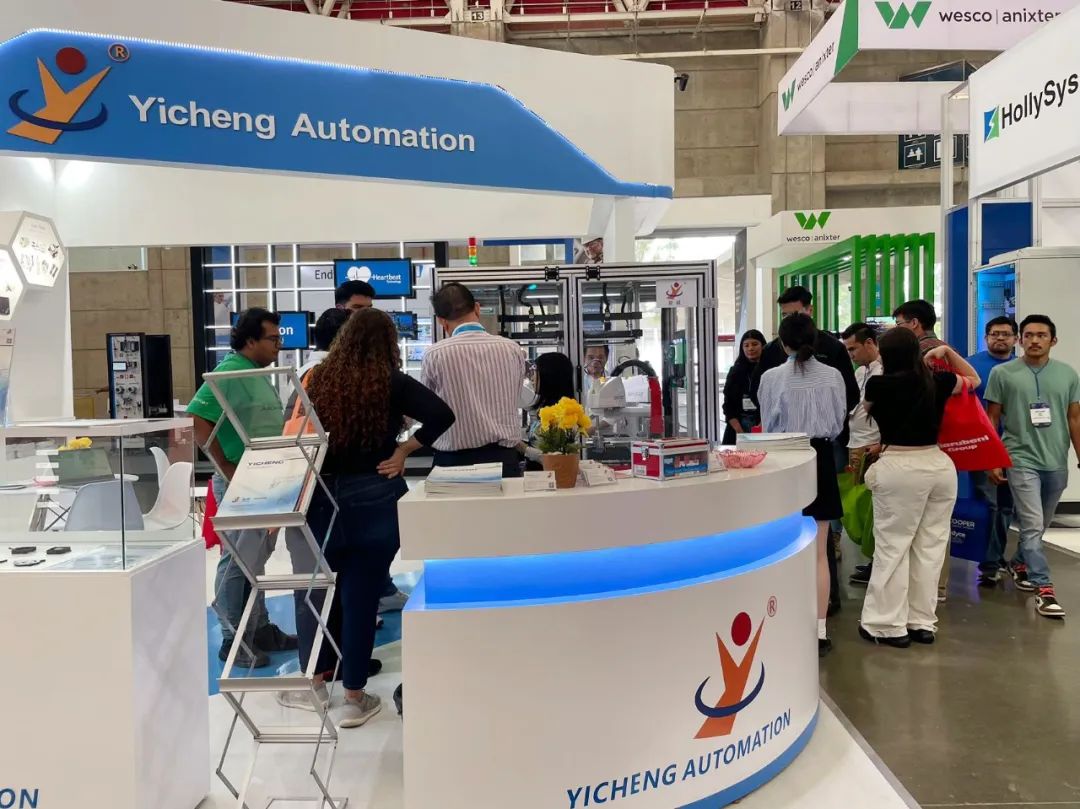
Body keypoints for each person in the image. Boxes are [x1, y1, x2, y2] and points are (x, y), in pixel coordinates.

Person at [287, 308, 455, 726]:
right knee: (361, 597)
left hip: (322, 498)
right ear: (388, 344)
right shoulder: (390, 382)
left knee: (320, 593)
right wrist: (403, 450)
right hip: (377, 494)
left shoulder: (319, 380)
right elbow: (442, 414)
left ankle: (315, 684)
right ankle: (354, 696)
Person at [187, 308, 298, 669]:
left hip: (264, 477)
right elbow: (198, 418)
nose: (278, 345)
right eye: (272, 339)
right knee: (238, 559)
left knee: (256, 558)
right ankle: (233, 637)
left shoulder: (256, 373)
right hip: (241, 481)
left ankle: (259, 628)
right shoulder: (229, 372)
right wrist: (225, 466)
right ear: (250, 341)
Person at [859, 329, 979, 647]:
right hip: (938, 466)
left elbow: (865, 414)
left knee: (893, 547)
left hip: (899, 467)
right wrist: (947, 352)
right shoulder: (937, 381)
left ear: (884, 353)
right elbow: (974, 379)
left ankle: (887, 625)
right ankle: (921, 622)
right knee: (930, 547)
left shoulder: (878, 384)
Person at [752, 286, 858, 618]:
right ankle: (820, 627)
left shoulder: (771, 377)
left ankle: (787, 620)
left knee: (784, 546)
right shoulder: (833, 374)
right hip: (821, 456)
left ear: (783, 343)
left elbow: (768, 422)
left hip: (784, 457)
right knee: (820, 551)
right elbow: (839, 419)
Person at [985, 314, 1080, 619]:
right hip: (1019, 458)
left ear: (1053, 340)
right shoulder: (1003, 373)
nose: (1034, 340)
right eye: (1028, 335)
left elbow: (1074, 418)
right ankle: (1044, 588)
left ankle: (1018, 563)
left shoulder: (1068, 374)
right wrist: (993, 459)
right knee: (1031, 524)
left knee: (1040, 525)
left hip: (1055, 460)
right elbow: (992, 419)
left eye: (1041, 335)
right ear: (1020, 339)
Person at [422, 282, 527, 477]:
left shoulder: (435, 354)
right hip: (503, 459)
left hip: (452, 463)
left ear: (441, 321)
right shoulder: (512, 349)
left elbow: (424, 408)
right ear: (477, 308)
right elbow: (516, 395)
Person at [968, 316, 1018, 587]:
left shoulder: (1022, 368)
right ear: (986, 337)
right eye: (995, 334)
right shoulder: (971, 366)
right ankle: (988, 562)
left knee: (1007, 507)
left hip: (1015, 447)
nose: (1000, 338)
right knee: (990, 504)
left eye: (1006, 334)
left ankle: (994, 557)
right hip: (982, 447)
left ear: (1015, 339)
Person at [840, 322, 884, 587]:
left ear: (869, 343)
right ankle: (871, 557)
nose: (851, 354)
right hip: (856, 444)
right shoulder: (859, 372)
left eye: (853, 348)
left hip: (874, 447)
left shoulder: (885, 371)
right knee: (861, 507)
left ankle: (878, 561)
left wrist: (882, 444)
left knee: (874, 508)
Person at [721, 329, 766, 445]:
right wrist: (740, 433)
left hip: (764, 425)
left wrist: (762, 425)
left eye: (755, 344)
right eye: (746, 345)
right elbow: (728, 405)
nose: (750, 348)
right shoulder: (735, 371)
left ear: (763, 346)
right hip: (737, 426)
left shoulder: (770, 371)